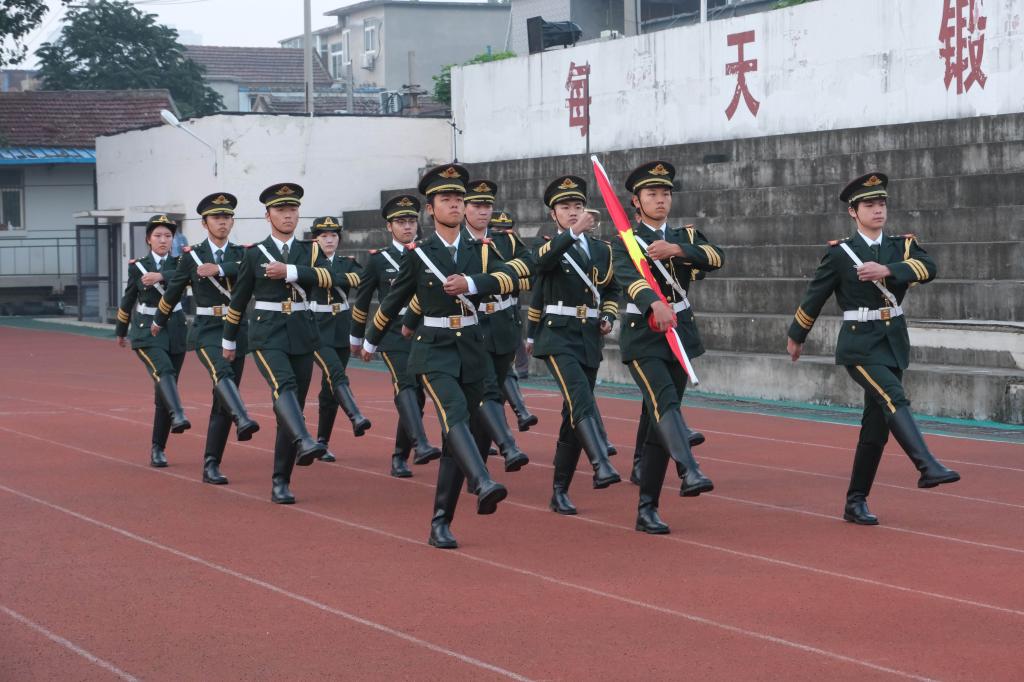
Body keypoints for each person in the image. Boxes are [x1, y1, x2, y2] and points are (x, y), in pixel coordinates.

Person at [787, 172, 960, 526]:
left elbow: (929, 268)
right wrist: (797, 335)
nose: (878, 210)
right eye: (869, 205)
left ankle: (855, 501)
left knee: (876, 428)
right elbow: (814, 296)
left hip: (892, 342)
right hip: (860, 344)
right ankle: (927, 465)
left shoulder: (901, 246)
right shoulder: (840, 254)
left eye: (881, 203)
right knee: (894, 396)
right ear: (853, 211)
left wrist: (888, 270)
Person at [362, 164, 519, 548]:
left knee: (455, 439)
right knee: (453, 413)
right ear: (430, 209)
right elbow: (394, 300)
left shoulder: (481, 250)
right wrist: (369, 341)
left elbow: (510, 277)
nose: (454, 204)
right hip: (433, 348)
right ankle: (482, 480)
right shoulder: (420, 253)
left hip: (472, 345)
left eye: (459, 199)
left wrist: (472, 283)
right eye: (446, 199)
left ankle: (440, 523)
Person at [613, 161, 720, 534]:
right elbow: (629, 279)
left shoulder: (683, 236)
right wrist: (653, 303)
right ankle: (689, 469)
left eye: (665, 193)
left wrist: (677, 249)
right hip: (644, 335)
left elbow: (716, 257)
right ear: (636, 201)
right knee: (664, 402)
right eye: (652, 194)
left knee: (660, 422)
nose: (660, 200)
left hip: (680, 334)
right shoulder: (625, 240)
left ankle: (647, 509)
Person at [222, 182, 334, 504]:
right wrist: (229, 340)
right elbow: (238, 300)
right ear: (267, 215)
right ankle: (303, 442)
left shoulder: (312, 251)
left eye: (292, 209)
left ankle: (281, 480)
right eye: (281, 210)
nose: (288, 215)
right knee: (283, 386)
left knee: (293, 406)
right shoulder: (254, 253)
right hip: (266, 334)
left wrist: (291, 271)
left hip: (302, 333)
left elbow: (330, 278)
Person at [152, 193, 259, 484]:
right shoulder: (192, 256)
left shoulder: (243, 253)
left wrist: (219, 269)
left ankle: (211, 463)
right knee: (222, 373)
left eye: (226, 217)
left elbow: (250, 270)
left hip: (236, 329)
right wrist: (158, 320)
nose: (222, 222)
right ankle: (243, 418)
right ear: (204, 223)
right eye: (216, 217)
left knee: (222, 400)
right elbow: (173, 290)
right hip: (207, 329)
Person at [531, 175, 622, 516]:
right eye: (565, 207)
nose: (573, 212)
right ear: (553, 214)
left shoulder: (601, 250)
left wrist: (608, 316)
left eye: (578, 206)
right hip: (557, 335)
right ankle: (600, 462)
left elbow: (611, 290)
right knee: (580, 397)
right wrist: (571, 234)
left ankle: (559, 490)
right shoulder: (548, 245)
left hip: (588, 336)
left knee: (573, 413)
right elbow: (541, 264)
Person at [349, 194, 442, 478]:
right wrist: (358, 339)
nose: (407, 226)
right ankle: (419, 445)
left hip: (425, 330)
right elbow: (362, 301)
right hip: (391, 333)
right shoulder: (378, 261)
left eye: (411, 220)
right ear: (389, 226)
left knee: (418, 396)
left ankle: (401, 453)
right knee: (405, 385)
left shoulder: (428, 252)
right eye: (401, 222)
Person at [115, 214, 190, 468]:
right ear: (149, 239)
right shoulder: (138, 266)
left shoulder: (181, 262)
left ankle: (158, 448)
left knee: (165, 392)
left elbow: (187, 278)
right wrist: (121, 330)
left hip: (175, 329)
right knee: (164, 371)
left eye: (168, 236)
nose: (163, 240)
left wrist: (160, 276)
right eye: (158, 236)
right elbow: (128, 298)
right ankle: (179, 414)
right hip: (147, 331)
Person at [307, 216, 370, 462]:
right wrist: (341, 278)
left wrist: (328, 277)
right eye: (324, 236)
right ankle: (355, 415)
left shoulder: (347, 262)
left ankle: (322, 442)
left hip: (341, 327)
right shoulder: (307, 262)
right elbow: (310, 277)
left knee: (330, 387)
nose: (329, 240)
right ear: (315, 240)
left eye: (333, 235)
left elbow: (362, 280)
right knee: (335, 373)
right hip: (315, 326)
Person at [486, 209, 539, 431]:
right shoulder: (476, 242)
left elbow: (531, 271)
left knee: (500, 373)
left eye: (506, 229)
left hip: (507, 310)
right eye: (498, 229)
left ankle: (502, 431)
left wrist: (501, 278)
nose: (502, 233)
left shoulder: (512, 242)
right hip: (479, 315)